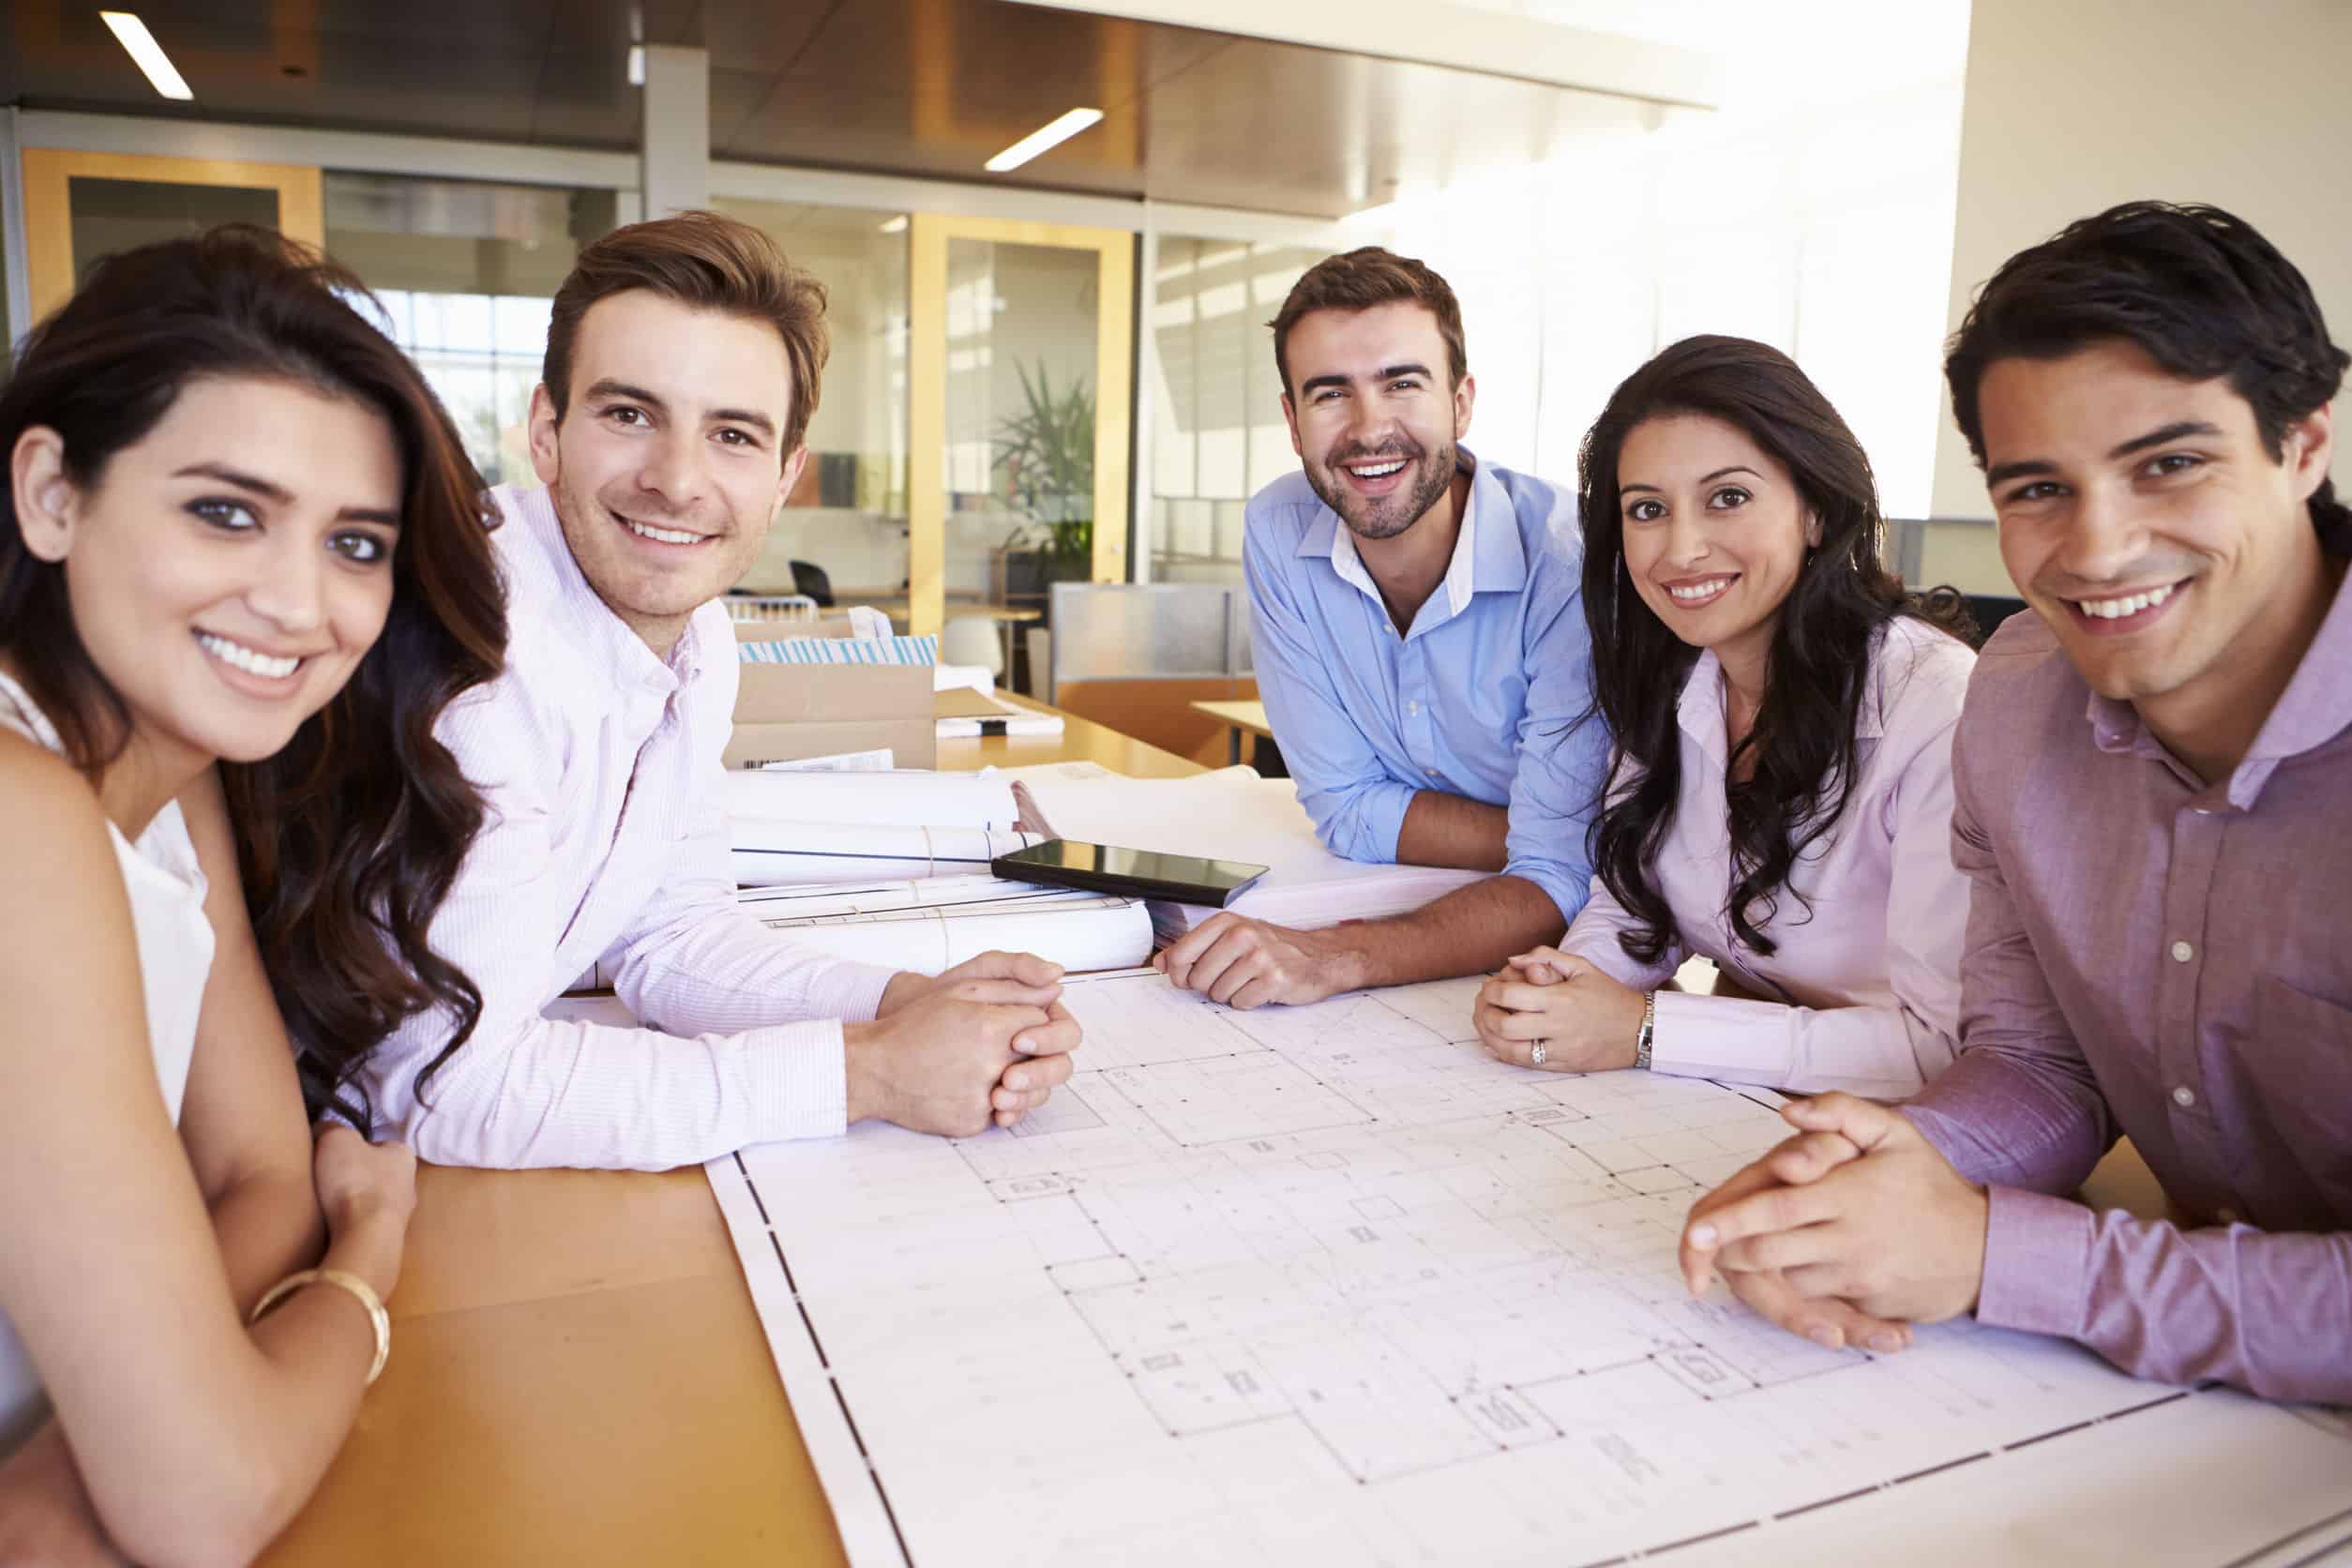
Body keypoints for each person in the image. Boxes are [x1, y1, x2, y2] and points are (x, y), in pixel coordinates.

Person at [1679, 202, 2352, 1403]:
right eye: (2039, 486)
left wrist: (2004, 1256)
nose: (2095, 548)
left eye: (2170, 463)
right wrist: (1870, 1180)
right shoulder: (2021, 700)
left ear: (2303, 445)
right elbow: (2043, 1065)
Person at [360, 211, 1080, 1170]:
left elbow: (669, 933)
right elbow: (442, 1085)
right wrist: (868, 1070)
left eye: (732, 435)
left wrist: (905, 1003)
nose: (677, 480)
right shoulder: (467, 661)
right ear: (546, 430)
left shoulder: (696, 638)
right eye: (628, 414)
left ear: (785, 477)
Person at [0, 228, 506, 1561]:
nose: (299, 604)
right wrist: (367, 1259)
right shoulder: (18, 813)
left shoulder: (174, 766)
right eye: (225, 511)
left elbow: (260, 1169)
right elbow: (204, 1509)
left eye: (355, 542)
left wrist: (87, 1455)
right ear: (52, 493)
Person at [1472, 337, 1977, 1098]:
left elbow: (1945, 1047)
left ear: (1813, 508)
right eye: (1647, 509)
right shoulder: (1679, 675)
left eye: (1728, 498)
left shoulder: (1936, 706)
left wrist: (1645, 1031)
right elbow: (1635, 894)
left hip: (1910, 1138)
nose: (1681, 548)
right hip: (1747, 1103)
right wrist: (1566, 984)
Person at [1158, 247, 1608, 1010]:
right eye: (1331, 394)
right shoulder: (1278, 528)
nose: (1370, 429)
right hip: (1431, 904)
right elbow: (1345, 808)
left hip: (1563, 953)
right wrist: (1546, 835)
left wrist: (1334, 958)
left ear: (1461, 404)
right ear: (1292, 421)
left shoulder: (1567, 560)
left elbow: (1562, 877)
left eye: (1402, 384)